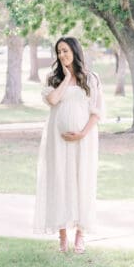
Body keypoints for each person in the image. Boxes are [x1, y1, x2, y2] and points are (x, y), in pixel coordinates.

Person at [34, 36, 104, 253]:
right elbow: (53, 100)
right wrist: (67, 77)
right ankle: (63, 236)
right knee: (60, 182)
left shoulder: (91, 79)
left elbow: (97, 113)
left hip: (84, 141)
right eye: (59, 51)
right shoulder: (53, 78)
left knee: (82, 181)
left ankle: (80, 236)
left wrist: (82, 133)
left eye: (65, 50)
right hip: (57, 141)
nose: (62, 55)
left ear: (75, 50)